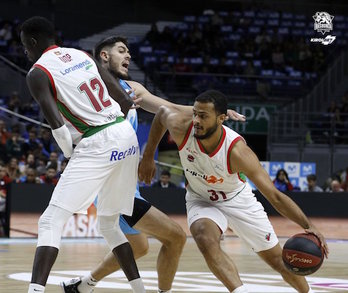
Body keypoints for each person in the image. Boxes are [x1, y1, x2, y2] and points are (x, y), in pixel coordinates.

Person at [62, 36, 246, 293]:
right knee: (176, 237)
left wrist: (213, 115)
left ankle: (82, 286)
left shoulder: (132, 88)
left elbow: (168, 107)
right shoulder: (93, 94)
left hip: (127, 184)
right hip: (109, 185)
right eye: (121, 51)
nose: (128, 56)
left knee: (139, 247)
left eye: (128, 52)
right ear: (104, 56)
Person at [138, 90, 328, 293]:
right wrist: (148, 155)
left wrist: (308, 225)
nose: (196, 120)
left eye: (203, 116)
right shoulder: (182, 127)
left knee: (277, 260)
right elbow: (161, 114)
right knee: (204, 238)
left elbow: (274, 196)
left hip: (237, 199)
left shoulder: (237, 152)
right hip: (200, 198)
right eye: (195, 113)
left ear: (221, 119)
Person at [20, 16, 146, 293]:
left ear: (32, 42)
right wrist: (115, 132)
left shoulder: (37, 72)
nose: (25, 53)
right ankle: (140, 291)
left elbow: (58, 127)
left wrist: (70, 153)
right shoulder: (80, 54)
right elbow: (124, 100)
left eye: (25, 47)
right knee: (109, 224)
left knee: (51, 220)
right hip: (125, 135)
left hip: (97, 141)